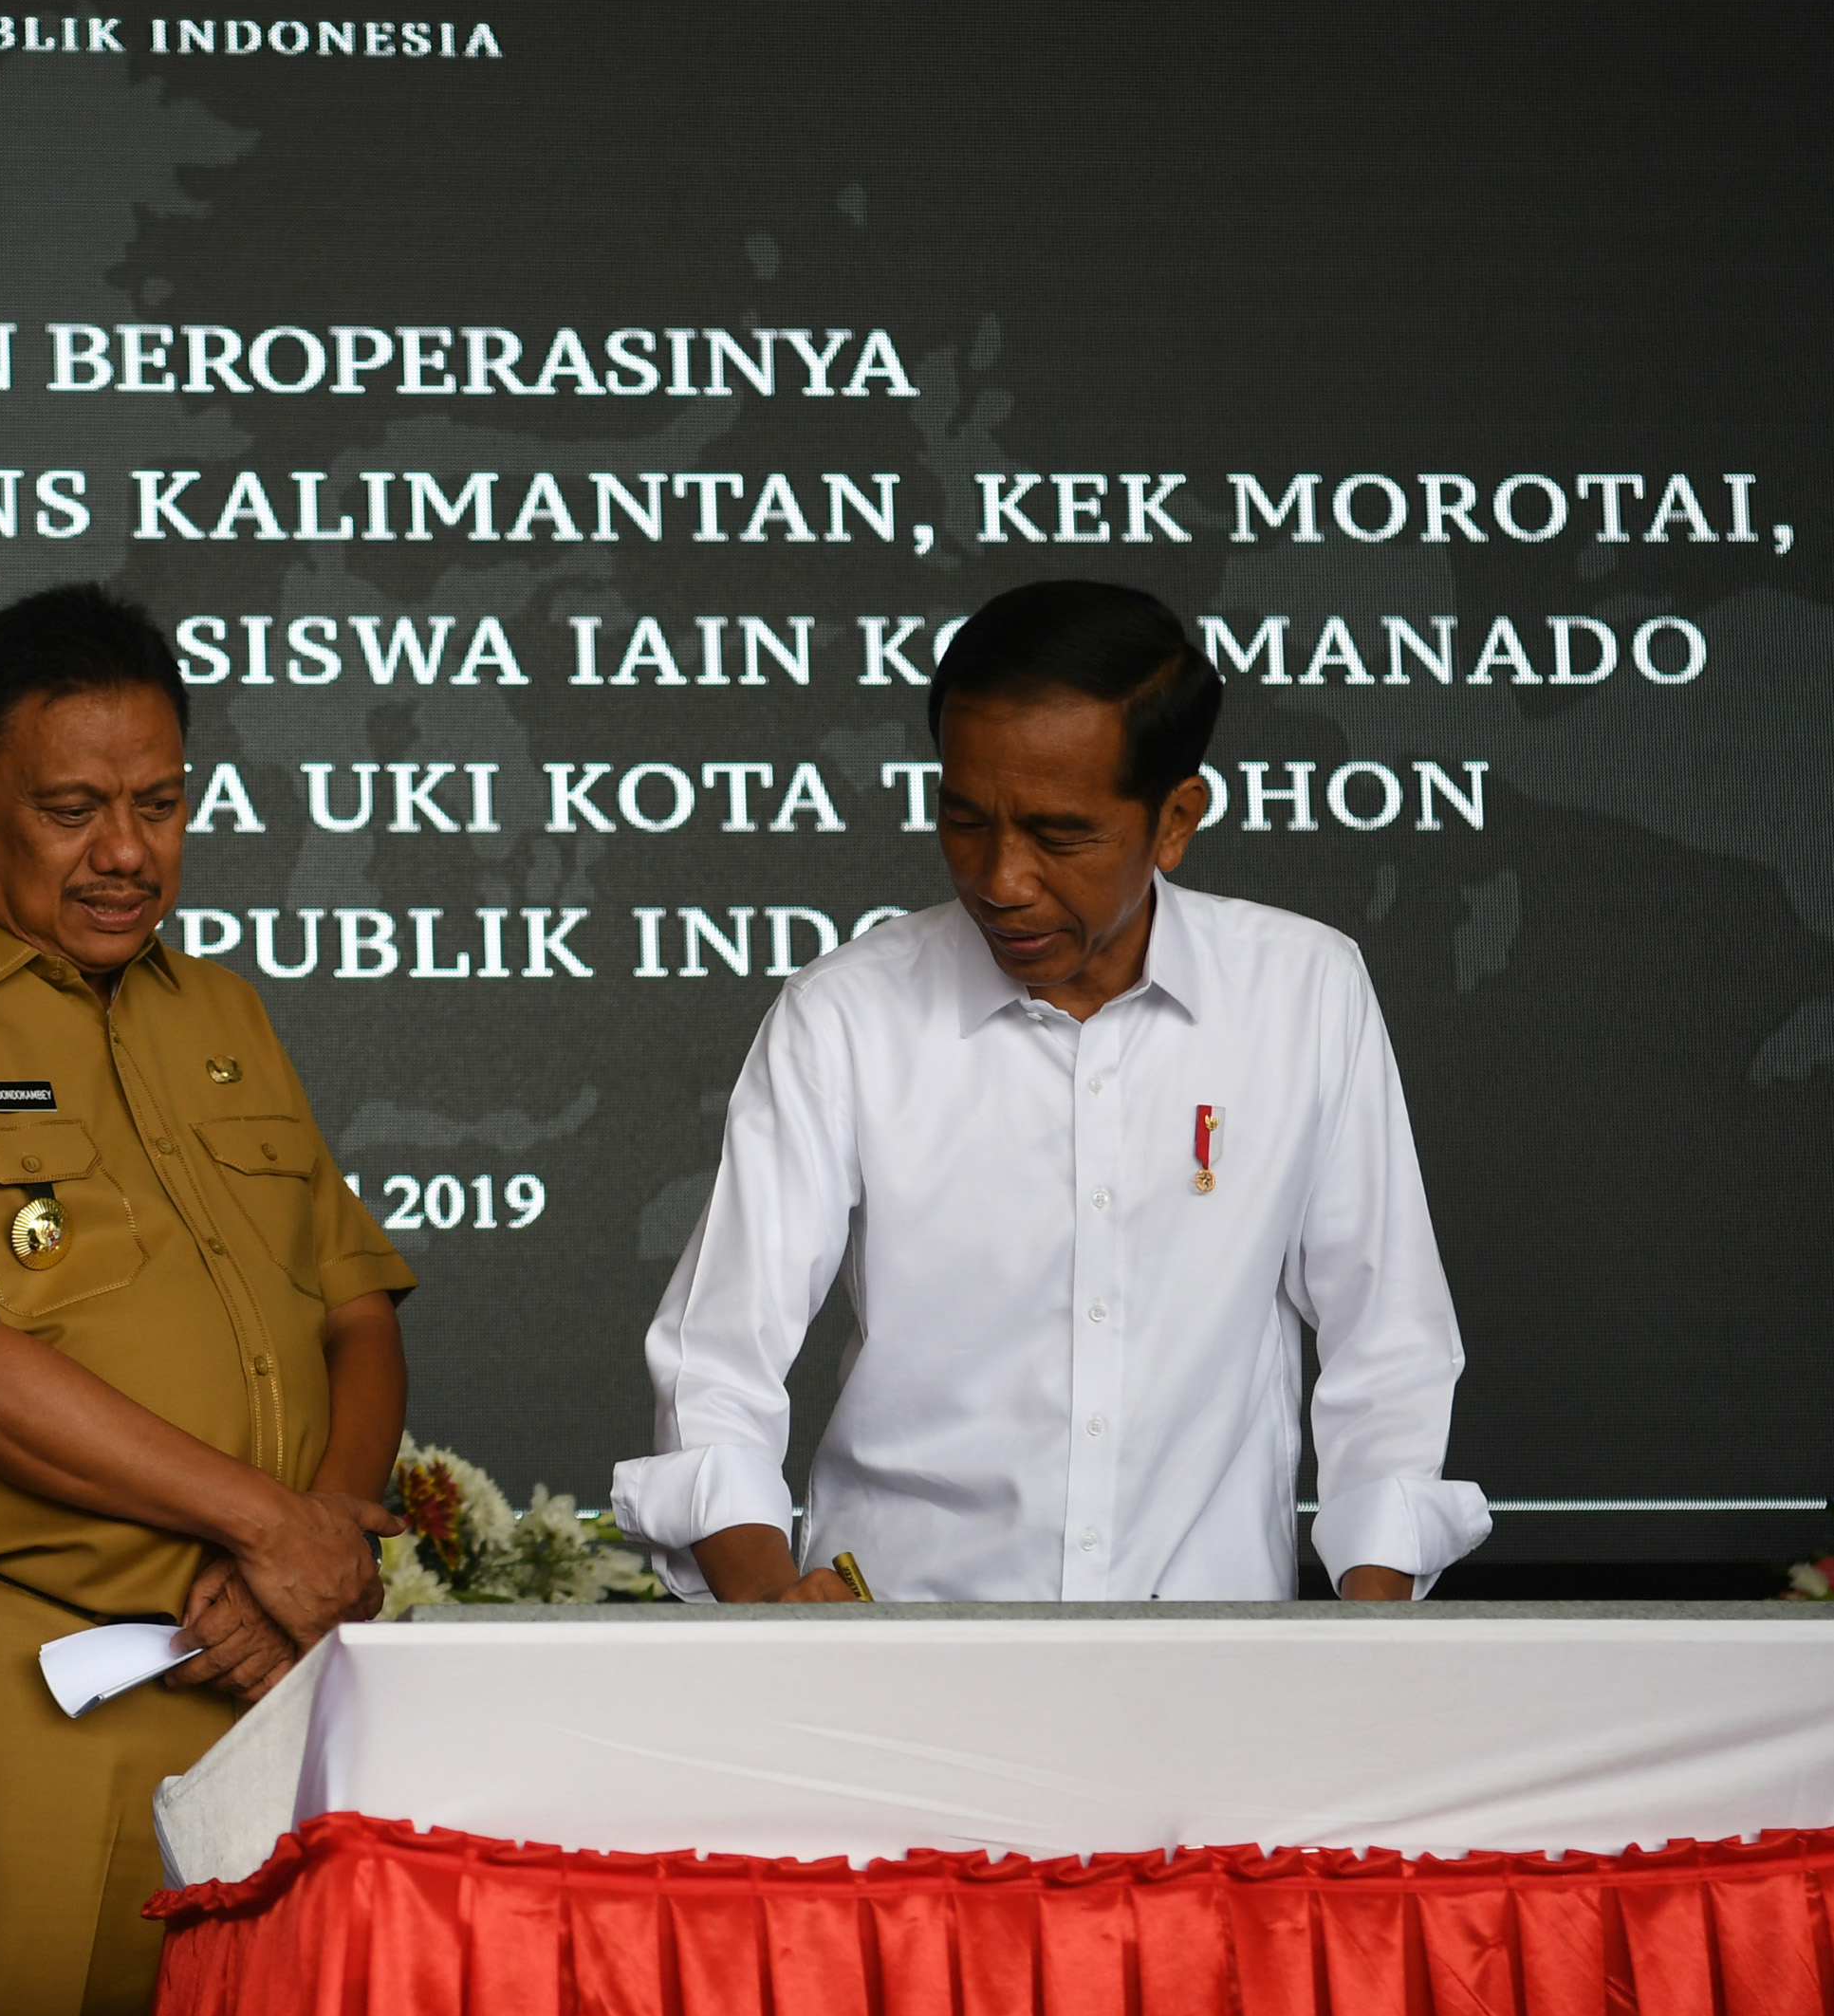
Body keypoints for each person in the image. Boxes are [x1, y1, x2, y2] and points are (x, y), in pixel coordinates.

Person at [0, 584, 414, 2016]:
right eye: (71, 807)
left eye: (161, 802)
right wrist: (264, 1521)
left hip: (275, 1665)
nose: (127, 851)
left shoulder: (218, 1007)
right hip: (40, 1691)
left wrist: (319, 1538)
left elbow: (352, 1304)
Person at [617, 580, 1490, 1606]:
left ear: (1173, 821)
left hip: (1208, 1665)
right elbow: (717, 1365)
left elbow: (1383, 1347)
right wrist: (774, 1614)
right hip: (897, 1657)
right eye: (962, 819)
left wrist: (1368, 1647)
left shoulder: (1303, 992)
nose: (1000, 878)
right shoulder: (841, 1016)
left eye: (1058, 835)